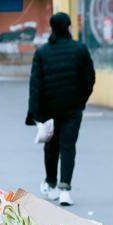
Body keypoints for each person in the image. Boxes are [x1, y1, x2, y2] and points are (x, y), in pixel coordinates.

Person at [26, 12, 95, 206]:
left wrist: (35, 113)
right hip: (73, 109)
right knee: (68, 146)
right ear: (68, 27)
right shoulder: (80, 50)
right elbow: (89, 79)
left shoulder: (42, 52)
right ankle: (65, 189)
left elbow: (35, 85)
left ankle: (51, 183)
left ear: (52, 28)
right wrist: (81, 100)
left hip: (49, 109)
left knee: (51, 147)